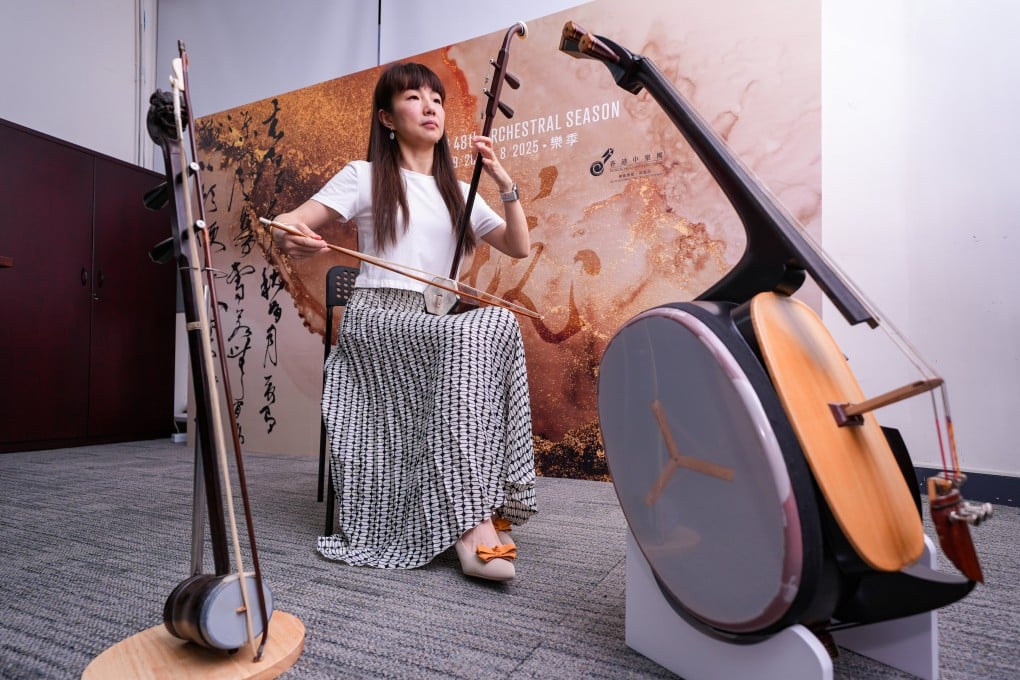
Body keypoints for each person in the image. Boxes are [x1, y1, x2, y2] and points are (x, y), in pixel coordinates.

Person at [271, 62, 536, 582]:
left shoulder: (461, 190)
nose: (429, 106)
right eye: (413, 97)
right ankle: (473, 525)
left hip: (438, 324)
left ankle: (476, 501)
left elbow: (518, 246)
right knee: (477, 332)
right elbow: (288, 223)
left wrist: (506, 184)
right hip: (378, 321)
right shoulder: (364, 176)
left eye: (436, 98)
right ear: (387, 118)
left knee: (498, 325)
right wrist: (289, 233)